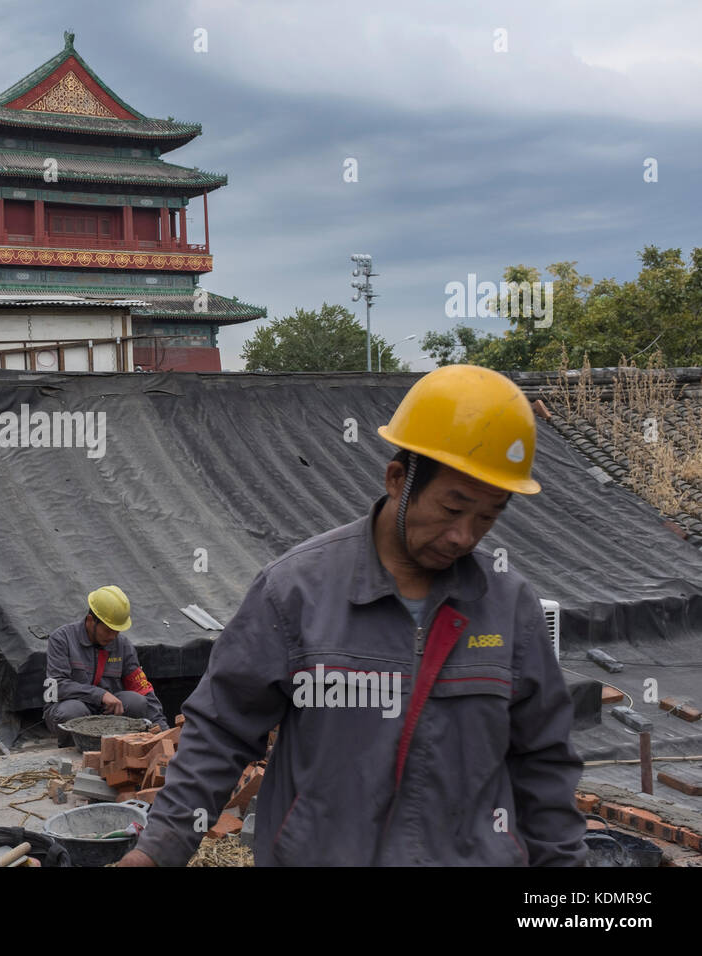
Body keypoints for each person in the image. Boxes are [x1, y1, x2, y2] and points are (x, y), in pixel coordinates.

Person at [121, 365, 586, 866]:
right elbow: (220, 731)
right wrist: (157, 850)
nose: (464, 536)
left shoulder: (509, 608)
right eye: (453, 509)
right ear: (397, 479)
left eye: (487, 518)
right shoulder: (296, 592)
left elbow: (542, 762)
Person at [44, 586, 168, 738]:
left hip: (108, 713)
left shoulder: (123, 645)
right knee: (71, 710)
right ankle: (77, 752)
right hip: (73, 709)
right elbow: (56, 687)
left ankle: (118, 748)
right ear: (90, 620)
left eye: (117, 631)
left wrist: (163, 729)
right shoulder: (62, 639)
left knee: (137, 701)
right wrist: (100, 694)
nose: (113, 636)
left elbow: (141, 688)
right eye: (109, 630)